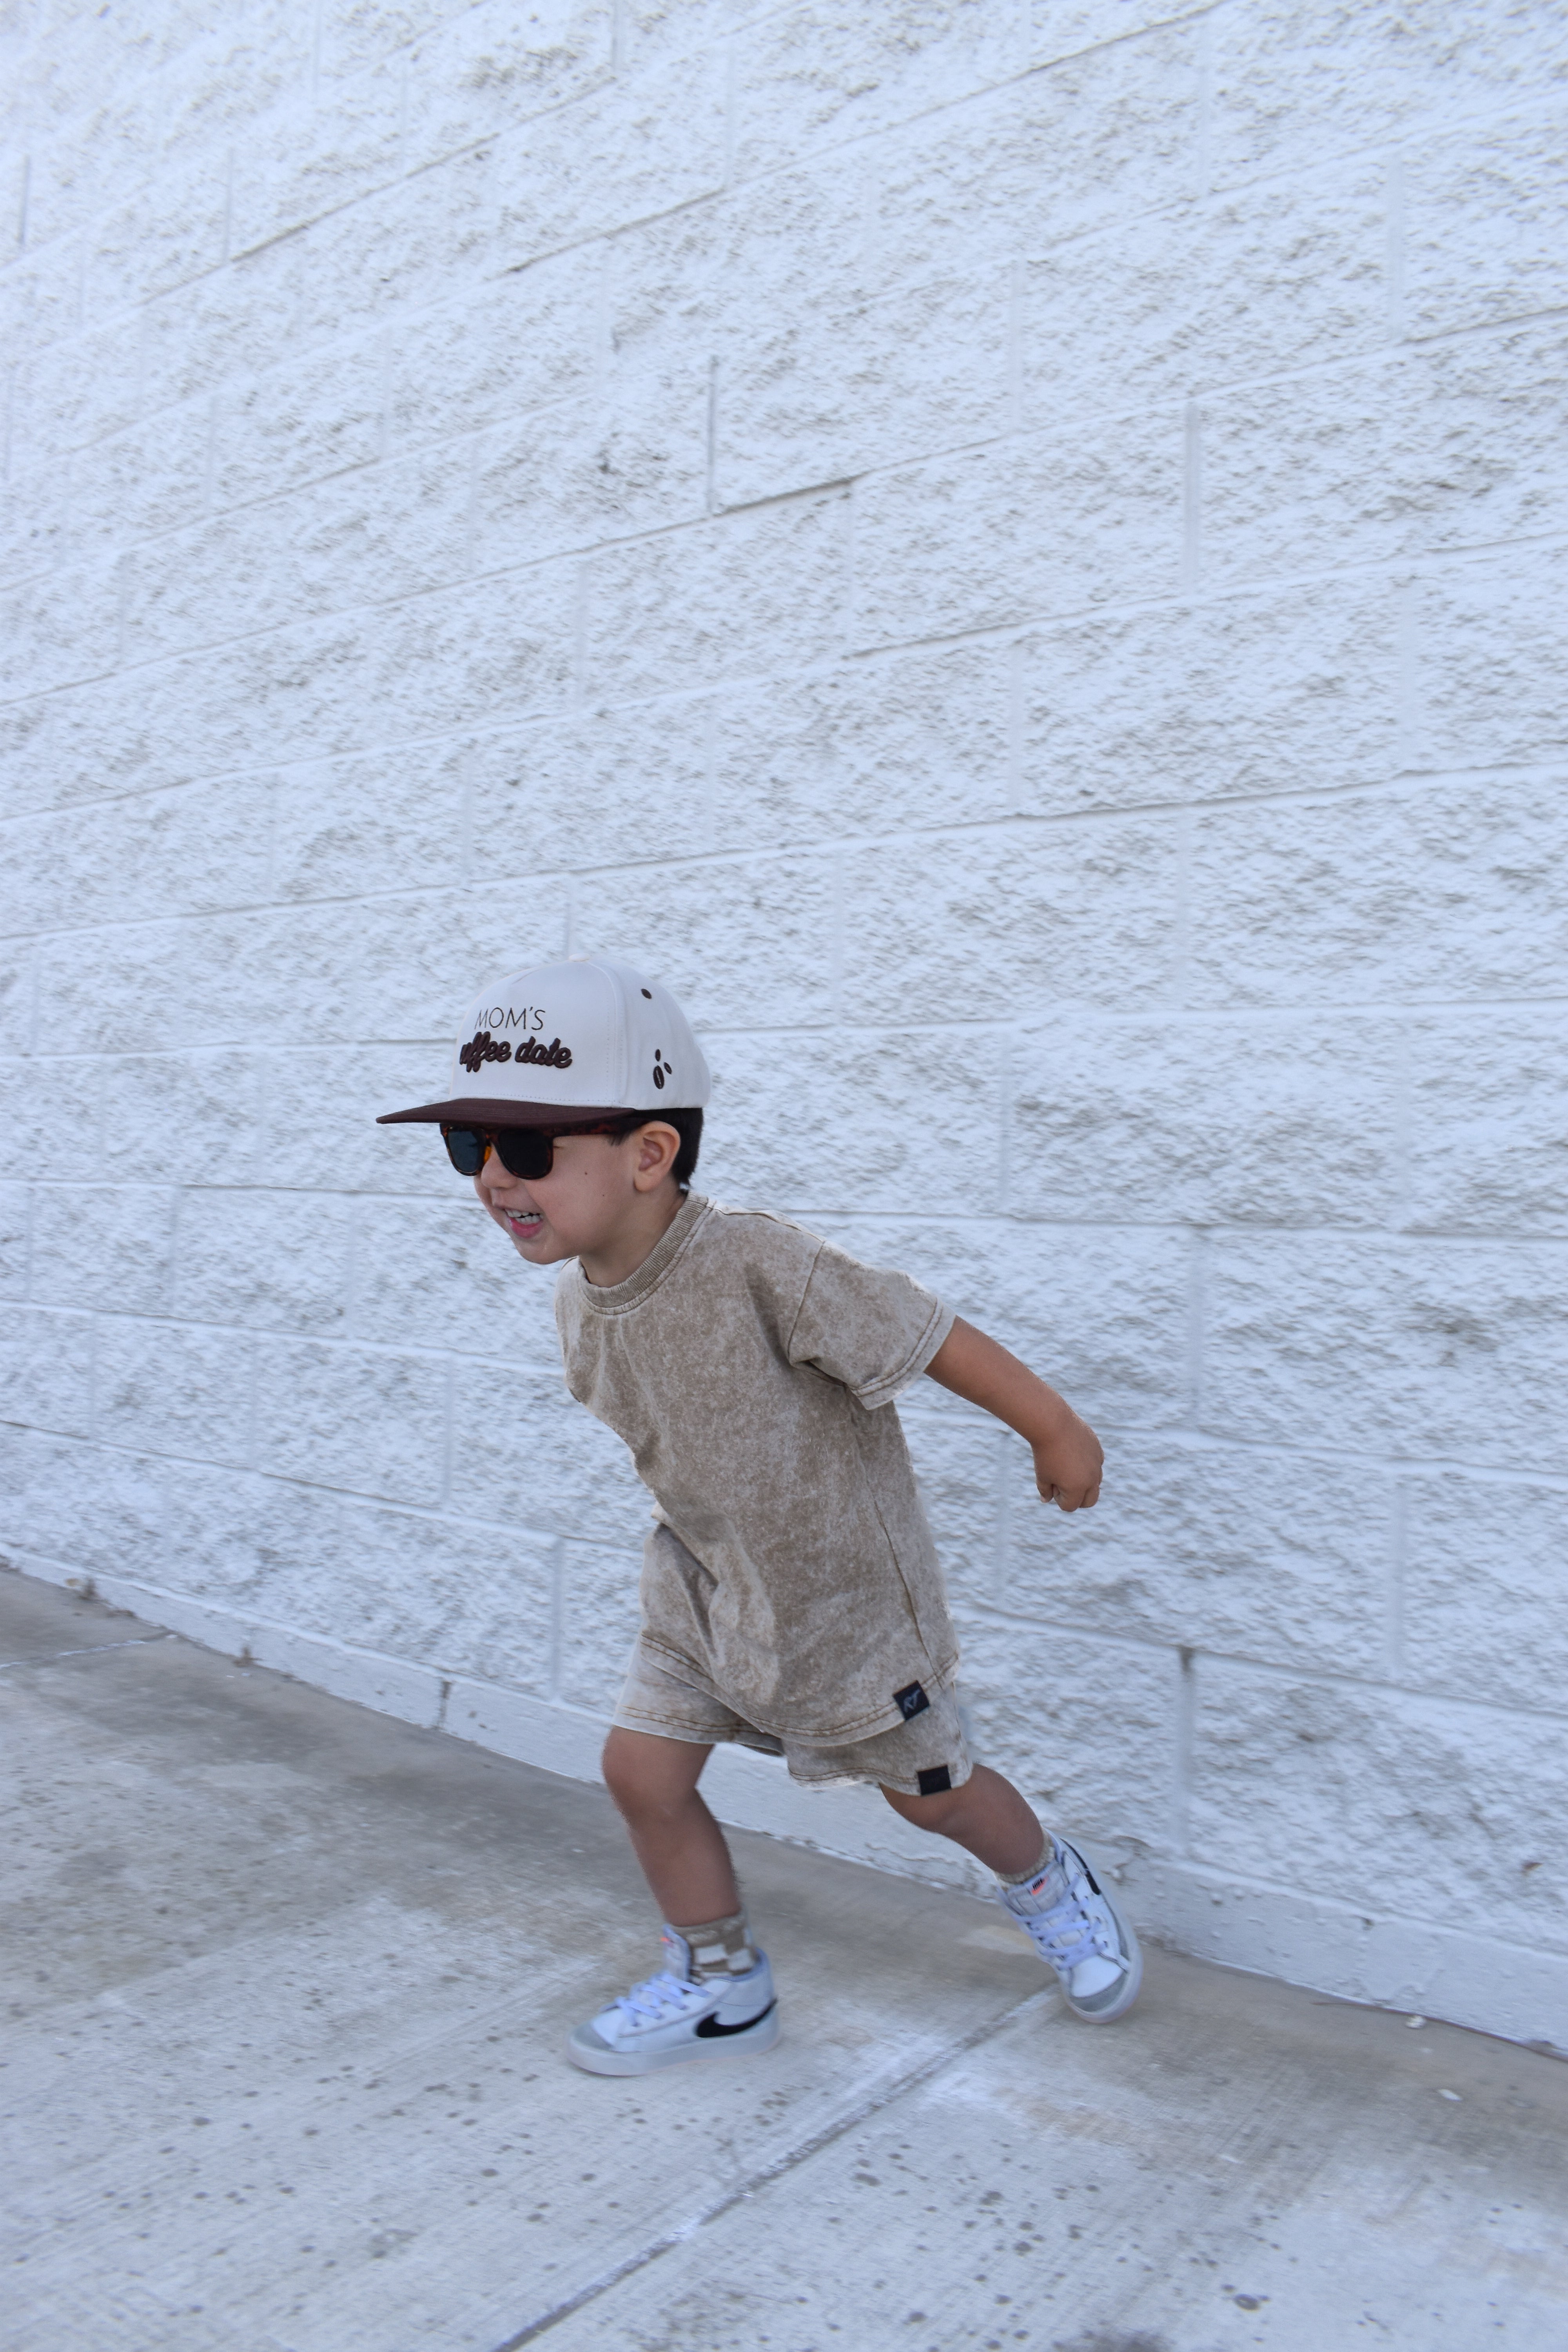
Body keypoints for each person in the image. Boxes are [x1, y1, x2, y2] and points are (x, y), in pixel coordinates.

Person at [379, 954, 1141, 2075]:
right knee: (641, 1772)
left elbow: (923, 1334)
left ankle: (1044, 1880)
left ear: (651, 1154)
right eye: (468, 1148)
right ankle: (721, 1979)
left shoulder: (757, 1263)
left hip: (846, 1601)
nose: (492, 1179)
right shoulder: (578, 1304)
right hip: (702, 1583)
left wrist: (1055, 1428)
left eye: (526, 1148)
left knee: (932, 1799)